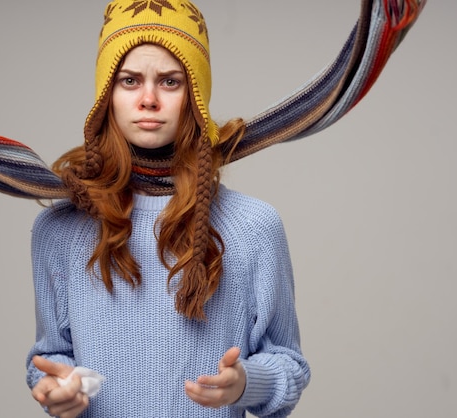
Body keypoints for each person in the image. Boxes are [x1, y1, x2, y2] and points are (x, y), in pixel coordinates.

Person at [25, 1, 310, 417]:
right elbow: (51, 355)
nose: (148, 99)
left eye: (170, 81)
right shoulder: (59, 228)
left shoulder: (254, 227)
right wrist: (57, 387)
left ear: (196, 94)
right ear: (106, 95)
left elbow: (289, 362)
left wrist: (245, 383)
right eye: (129, 80)